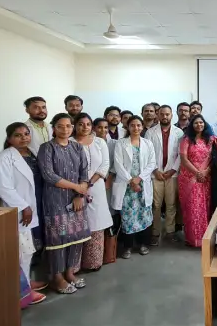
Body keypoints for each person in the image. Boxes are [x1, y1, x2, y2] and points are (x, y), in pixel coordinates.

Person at [0, 123, 46, 307]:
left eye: (26, 134)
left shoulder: (31, 154)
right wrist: (24, 206)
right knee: (21, 252)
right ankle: (22, 292)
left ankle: (26, 282)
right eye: (18, 135)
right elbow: (2, 188)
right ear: (9, 139)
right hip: (18, 210)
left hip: (33, 206)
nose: (24, 138)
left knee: (28, 250)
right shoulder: (3, 158)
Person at [37, 113, 90, 294]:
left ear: (72, 127)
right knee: (58, 239)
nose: (65, 129)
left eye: (68, 126)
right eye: (60, 126)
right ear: (54, 128)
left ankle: (70, 273)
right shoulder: (47, 148)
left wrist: (79, 194)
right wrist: (76, 187)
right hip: (55, 200)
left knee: (76, 237)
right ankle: (57, 277)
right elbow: (49, 175)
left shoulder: (77, 147)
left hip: (76, 199)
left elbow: (84, 172)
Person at [73, 114, 113, 271]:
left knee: (96, 224)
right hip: (74, 189)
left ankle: (93, 263)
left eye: (88, 124)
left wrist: (89, 183)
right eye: (81, 124)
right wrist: (80, 187)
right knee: (76, 225)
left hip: (96, 187)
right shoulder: (69, 143)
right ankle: (74, 266)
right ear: (75, 125)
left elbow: (105, 165)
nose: (85, 127)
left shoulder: (99, 142)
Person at [112, 116, 156, 257]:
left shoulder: (148, 143)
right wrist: (131, 181)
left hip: (142, 184)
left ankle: (143, 244)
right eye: (132, 125)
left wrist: (139, 179)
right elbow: (118, 164)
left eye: (138, 125)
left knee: (144, 215)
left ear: (142, 127)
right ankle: (128, 247)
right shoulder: (121, 143)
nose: (136, 128)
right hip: (127, 186)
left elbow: (152, 163)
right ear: (128, 127)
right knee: (128, 216)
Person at [145, 105, 183, 245]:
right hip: (156, 174)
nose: (165, 117)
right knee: (156, 205)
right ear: (158, 115)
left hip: (172, 174)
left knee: (171, 204)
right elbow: (148, 154)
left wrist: (173, 170)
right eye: (162, 114)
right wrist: (155, 170)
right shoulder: (150, 132)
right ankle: (155, 232)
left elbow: (181, 154)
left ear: (172, 115)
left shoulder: (179, 132)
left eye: (167, 114)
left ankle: (170, 231)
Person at [179, 114, 214, 247]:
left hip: (206, 178)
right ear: (191, 125)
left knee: (205, 207)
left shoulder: (210, 140)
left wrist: (206, 171)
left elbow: (213, 159)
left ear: (204, 124)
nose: (199, 125)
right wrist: (197, 173)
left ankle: (205, 238)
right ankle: (193, 238)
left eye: (201, 122)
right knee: (193, 208)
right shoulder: (186, 139)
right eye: (196, 123)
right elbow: (184, 159)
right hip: (190, 178)